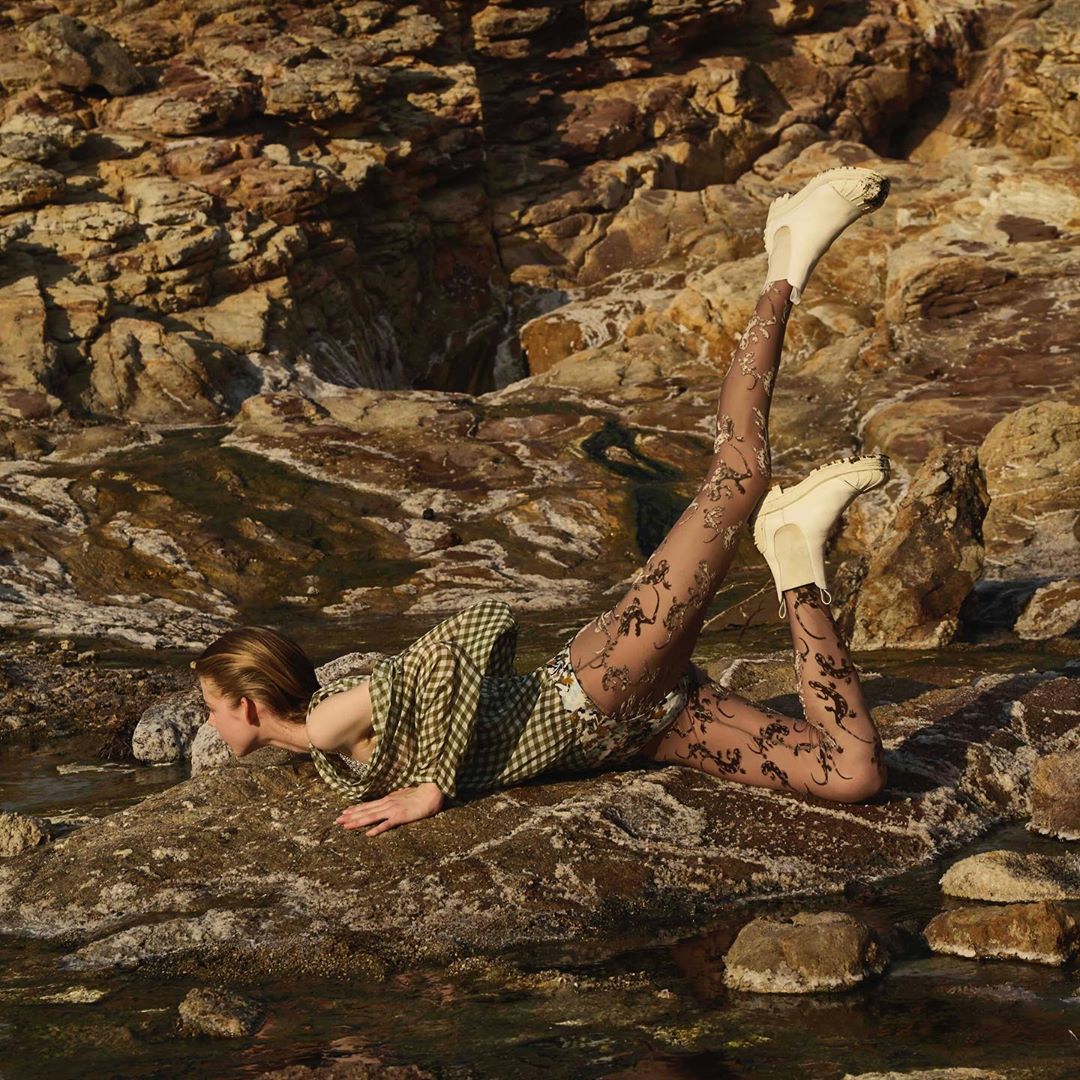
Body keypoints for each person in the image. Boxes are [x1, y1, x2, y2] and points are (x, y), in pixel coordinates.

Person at [194, 165, 892, 838]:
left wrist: (434, 782)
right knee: (851, 775)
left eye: (210, 709)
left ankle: (785, 258)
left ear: (246, 706)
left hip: (603, 681)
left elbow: (477, 628)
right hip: (644, 730)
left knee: (737, 475)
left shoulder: (325, 724)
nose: (210, 723)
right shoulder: (316, 741)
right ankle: (796, 553)